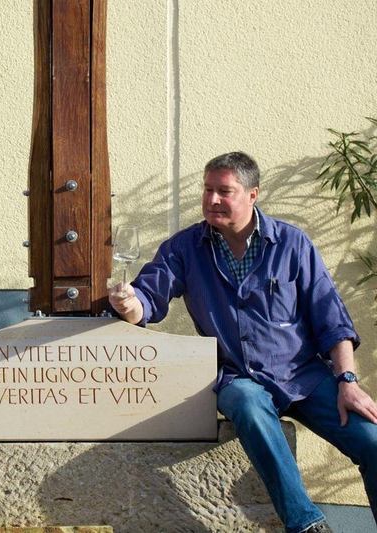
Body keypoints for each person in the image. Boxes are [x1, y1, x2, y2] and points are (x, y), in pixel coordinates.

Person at [109, 152, 377, 533]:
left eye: (224, 191)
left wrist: (347, 381)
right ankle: (306, 525)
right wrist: (129, 304)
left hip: (302, 375)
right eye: (207, 190)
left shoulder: (292, 244)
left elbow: (331, 319)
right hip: (236, 377)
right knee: (249, 407)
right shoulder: (184, 248)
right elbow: (147, 301)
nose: (212, 199)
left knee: (372, 440)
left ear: (253, 194)